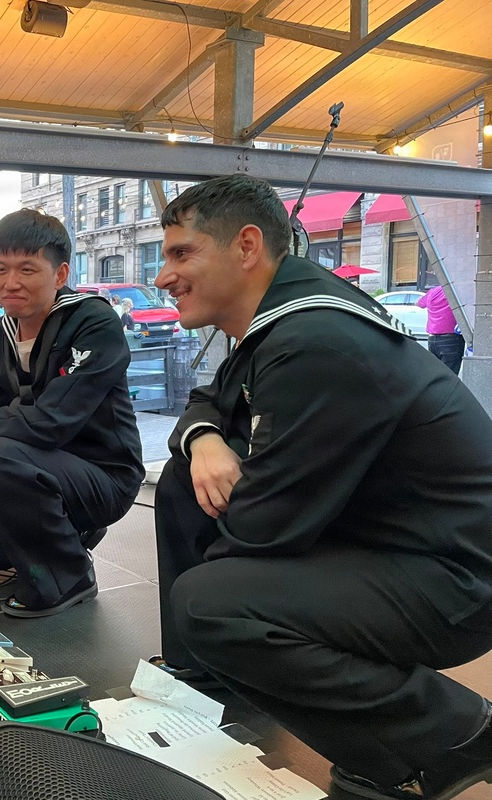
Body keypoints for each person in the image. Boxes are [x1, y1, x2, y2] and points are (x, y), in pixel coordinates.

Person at [152, 175, 492, 800]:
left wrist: (227, 609)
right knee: (184, 484)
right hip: (398, 547)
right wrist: (204, 441)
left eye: (181, 253)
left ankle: (456, 732)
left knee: (211, 604)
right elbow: (209, 397)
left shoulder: (315, 340)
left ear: (246, 246)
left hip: (457, 580)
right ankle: (377, 754)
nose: (162, 276)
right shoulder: (285, 318)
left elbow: (264, 530)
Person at [0, 209, 144, 618]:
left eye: (27, 269)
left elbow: (51, 424)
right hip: (27, 472)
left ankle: (68, 577)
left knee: (1, 453)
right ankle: (60, 541)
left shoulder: (94, 323)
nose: (10, 282)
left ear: (60, 274)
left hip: (103, 477)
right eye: (2, 269)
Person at [418, 283, 466, 375]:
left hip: (432, 340)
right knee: (449, 376)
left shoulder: (433, 291)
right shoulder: (457, 291)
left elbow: (419, 303)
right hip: (451, 339)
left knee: (435, 375)